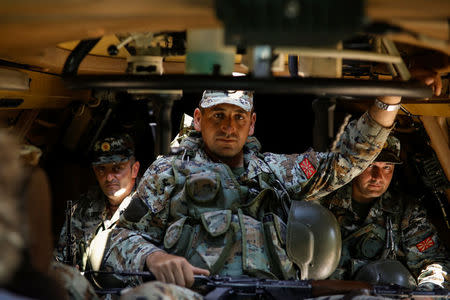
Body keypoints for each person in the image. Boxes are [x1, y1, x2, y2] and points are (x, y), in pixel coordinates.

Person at [99, 88, 404, 294]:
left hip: (276, 294)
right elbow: (119, 238)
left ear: (252, 123)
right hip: (195, 294)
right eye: (218, 115)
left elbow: (348, 159)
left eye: (238, 117)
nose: (229, 127)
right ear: (199, 118)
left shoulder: (278, 172)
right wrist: (153, 258)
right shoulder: (168, 173)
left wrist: (389, 99)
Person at [320, 135, 450, 289]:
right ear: (353, 165)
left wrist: (426, 292)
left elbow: (433, 262)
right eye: (370, 165)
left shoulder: (407, 212)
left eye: (387, 167)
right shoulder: (323, 202)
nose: (378, 177)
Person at [55, 133, 140, 271]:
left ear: (134, 169)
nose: (108, 177)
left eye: (117, 168)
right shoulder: (81, 208)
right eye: (101, 169)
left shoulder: (150, 203)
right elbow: (62, 259)